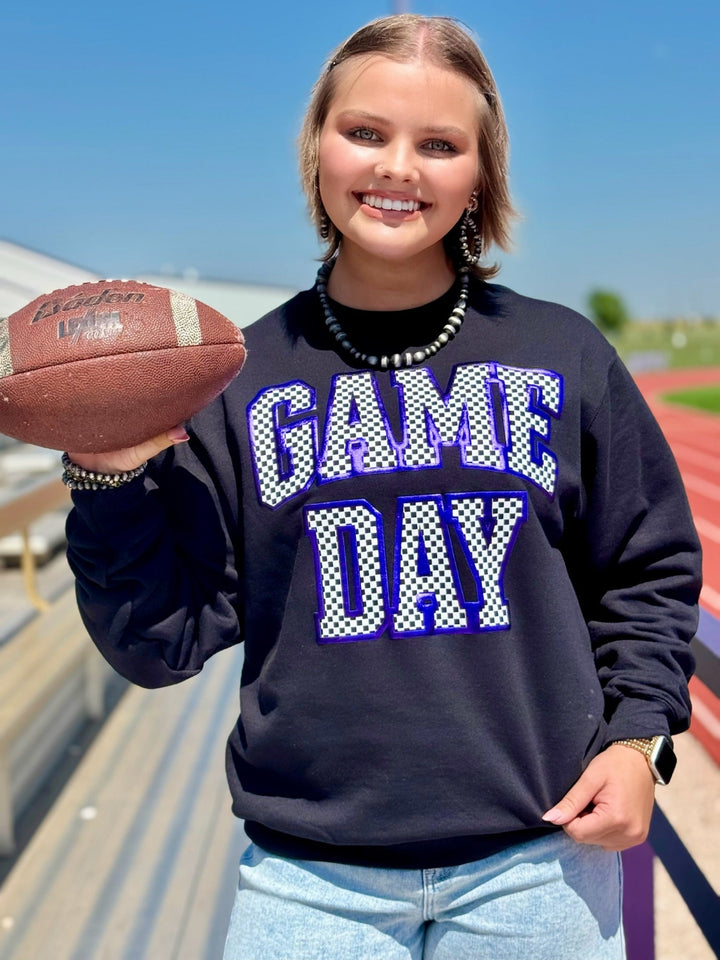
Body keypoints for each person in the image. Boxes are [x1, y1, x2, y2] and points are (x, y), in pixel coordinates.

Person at [64, 14, 701, 960]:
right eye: (365, 132)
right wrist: (106, 478)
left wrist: (641, 737)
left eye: (439, 144)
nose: (398, 166)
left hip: (540, 859)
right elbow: (163, 643)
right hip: (308, 878)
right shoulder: (238, 379)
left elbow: (646, 566)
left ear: (480, 173)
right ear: (316, 146)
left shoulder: (562, 353)